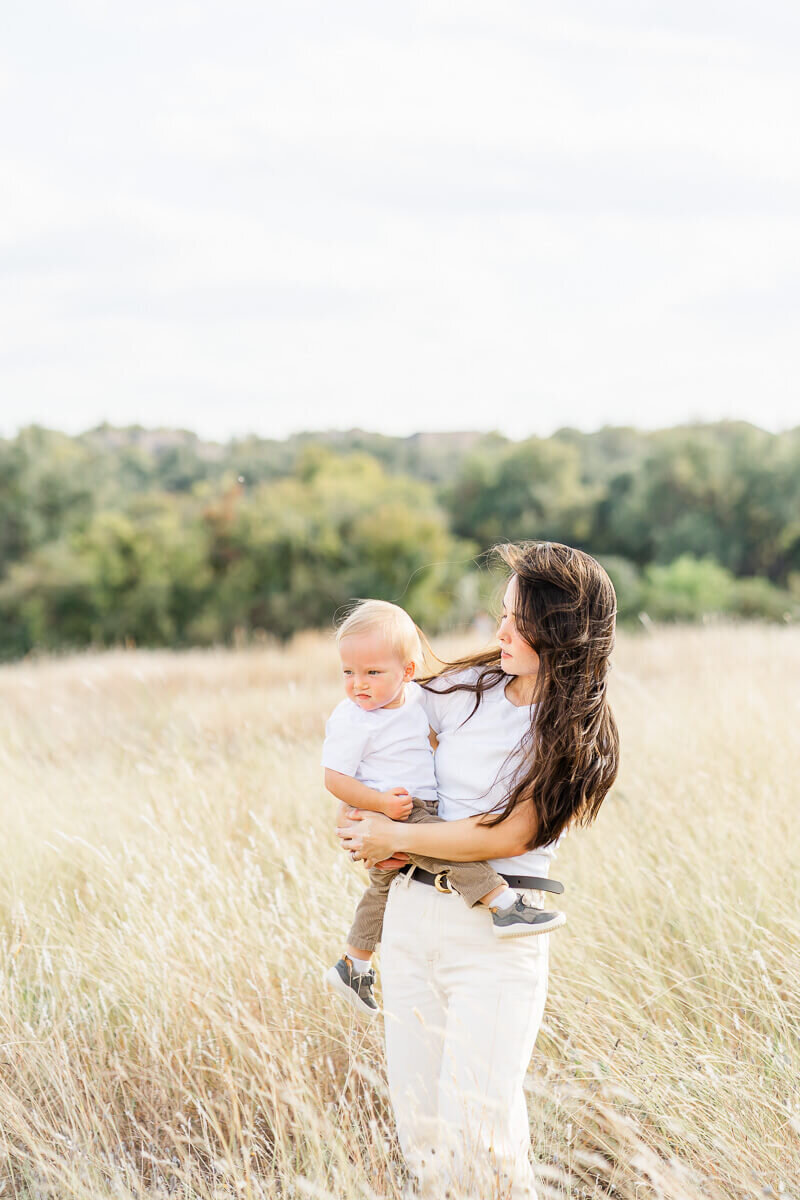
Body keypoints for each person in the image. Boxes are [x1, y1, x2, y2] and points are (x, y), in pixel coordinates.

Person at [336, 541, 619, 1200]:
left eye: (517, 622)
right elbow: (386, 722)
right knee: (424, 1138)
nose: (500, 632)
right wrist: (361, 810)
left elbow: (510, 834)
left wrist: (394, 832)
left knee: (481, 1137)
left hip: (496, 938)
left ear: (560, 630)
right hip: (409, 918)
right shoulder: (470, 685)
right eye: (502, 614)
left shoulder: (574, 733)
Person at [322, 599, 565, 1019]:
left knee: (379, 891)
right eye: (349, 672)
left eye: (372, 673)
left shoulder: (418, 699)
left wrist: (377, 827)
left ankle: (355, 964)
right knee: (442, 845)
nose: (358, 684)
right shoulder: (354, 718)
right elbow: (336, 779)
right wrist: (367, 812)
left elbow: (436, 743)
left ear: (407, 672)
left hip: (402, 816)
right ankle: (502, 904)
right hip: (401, 808)